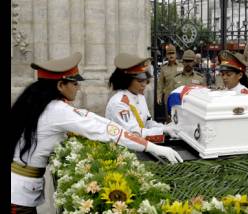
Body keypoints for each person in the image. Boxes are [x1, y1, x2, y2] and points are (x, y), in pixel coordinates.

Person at [11, 53, 183, 212]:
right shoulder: (57, 110)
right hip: (18, 196)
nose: (78, 88)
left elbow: (92, 118)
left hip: (21, 189)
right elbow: (105, 131)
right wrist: (152, 147)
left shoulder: (39, 102)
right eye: (75, 83)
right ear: (60, 85)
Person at [106, 53, 181, 143]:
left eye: (145, 80)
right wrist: (162, 131)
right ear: (127, 80)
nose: (144, 84)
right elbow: (133, 134)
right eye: (139, 81)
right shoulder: (119, 103)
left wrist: (165, 127)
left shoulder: (140, 96)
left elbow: (147, 123)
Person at [157, 44, 183, 118]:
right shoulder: (164, 68)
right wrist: (159, 96)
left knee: (180, 119)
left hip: (179, 97)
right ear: (166, 55)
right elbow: (160, 84)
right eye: (169, 53)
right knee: (169, 118)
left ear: (176, 54)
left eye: (172, 53)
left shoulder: (182, 66)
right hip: (168, 97)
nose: (171, 55)